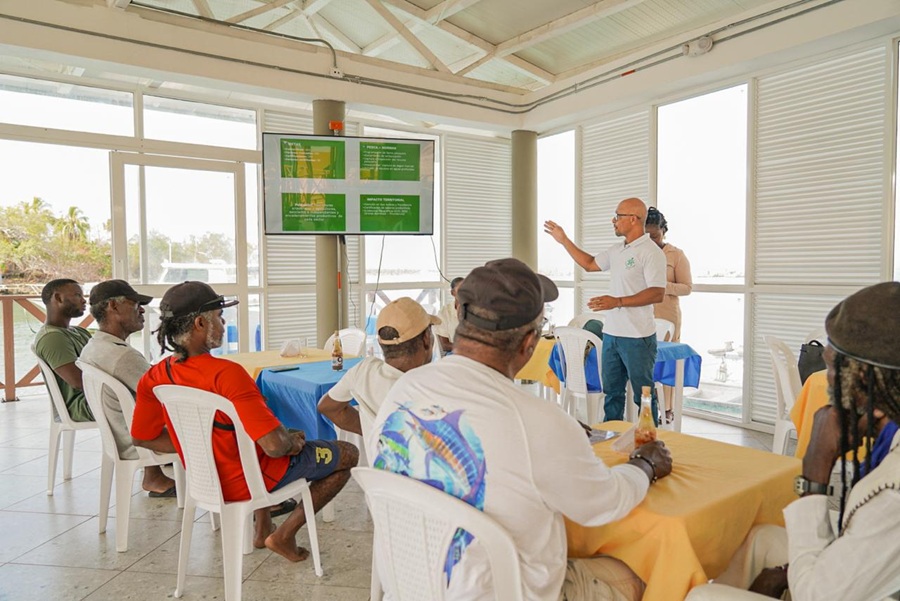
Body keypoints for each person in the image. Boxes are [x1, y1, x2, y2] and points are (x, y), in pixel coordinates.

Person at [368, 258, 673, 601]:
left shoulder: (404, 391)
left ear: (459, 321)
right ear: (529, 343)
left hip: (411, 586)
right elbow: (605, 504)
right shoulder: (537, 421)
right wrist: (644, 464)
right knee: (648, 574)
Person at [685, 282, 900, 601]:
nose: (826, 380)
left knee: (702, 596)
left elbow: (817, 596)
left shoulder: (892, 496)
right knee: (759, 539)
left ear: (867, 381)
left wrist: (815, 471)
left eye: (830, 367)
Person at [131, 281, 359, 561]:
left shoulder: (155, 376)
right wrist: (293, 442)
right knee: (347, 453)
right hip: (250, 480)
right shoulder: (228, 374)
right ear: (201, 323)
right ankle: (284, 535)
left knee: (253, 437)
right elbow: (275, 447)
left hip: (206, 480)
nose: (224, 322)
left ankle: (263, 528)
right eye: (219, 316)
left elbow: (142, 438)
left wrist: (197, 449)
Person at [545, 197, 667, 422]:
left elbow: (657, 293)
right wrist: (563, 241)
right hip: (612, 335)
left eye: (618, 216)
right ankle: (611, 439)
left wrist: (618, 301)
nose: (614, 220)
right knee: (612, 394)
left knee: (644, 396)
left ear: (633, 219)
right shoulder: (617, 250)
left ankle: (650, 442)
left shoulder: (651, 252)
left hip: (638, 336)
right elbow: (590, 264)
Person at [78, 279, 176, 496]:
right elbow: (169, 395)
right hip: (140, 442)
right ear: (113, 306)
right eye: (135, 304)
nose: (141, 309)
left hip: (119, 436)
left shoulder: (95, 346)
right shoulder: (123, 356)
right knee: (219, 423)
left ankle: (153, 476)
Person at [317, 297, 439, 442]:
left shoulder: (364, 371)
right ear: (426, 338)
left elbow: (327, 407)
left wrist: (375, 431)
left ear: (381, 343)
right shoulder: (430, 387)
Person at [645, 206, 692, 423]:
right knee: (644, 360)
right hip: (643, 313)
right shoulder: (640, 252)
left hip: (668, 315)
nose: (651, 240)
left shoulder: (676, 255)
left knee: (667, 362)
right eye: (647, 235)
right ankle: (648, 406)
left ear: (663, 230)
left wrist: (662, 286)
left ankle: (668, 409)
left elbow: (686, 287)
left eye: (654, 235)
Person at [33, 279, 93, 422]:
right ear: (58, 298)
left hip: (95, 397)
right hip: (80, 405)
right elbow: (78, 382)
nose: (84, 301)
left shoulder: (79, 331)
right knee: (140, 401)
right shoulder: (52, 337)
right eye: (78, 295)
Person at [434, 277, 464, 355]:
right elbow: (445, 345)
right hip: (454, 353)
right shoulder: (444, 312)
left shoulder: (475, 309)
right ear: (452, 293)